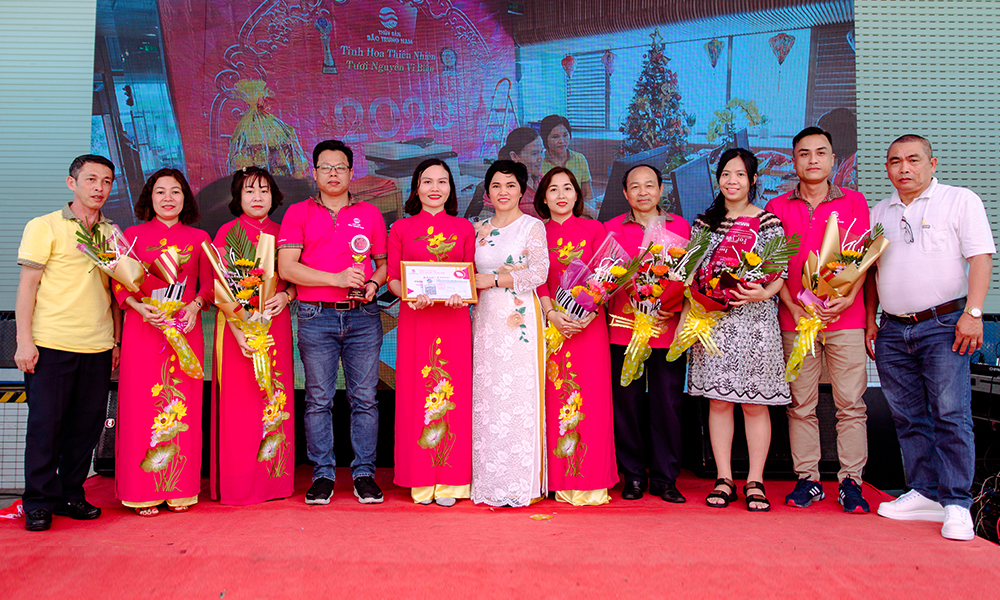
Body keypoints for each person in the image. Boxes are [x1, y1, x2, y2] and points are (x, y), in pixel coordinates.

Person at [865, 134, 994, 541]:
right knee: (907, 416)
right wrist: (870, 320)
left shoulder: (960, 200)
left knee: (951, 414)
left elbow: (980, 258)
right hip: (892, 328)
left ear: (932, 163)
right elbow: (869, 272)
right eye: (895, 161)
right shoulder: (879, 212)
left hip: (945, 324)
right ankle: (924, 491)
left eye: (913, 160)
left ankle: (956, 502)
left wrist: (973, 313)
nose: (904, 168)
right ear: (887, 168)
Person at [765, 127, 872, 513]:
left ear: (832, 159)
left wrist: (848, 299)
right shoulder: (777, 207)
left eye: (821, 153)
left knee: (851, 404)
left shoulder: (854, 202)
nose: (813, 160)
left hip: (845, 320)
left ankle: (851, 482)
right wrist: (792, 307)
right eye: (804, 153)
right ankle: (807, 478)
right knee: (801, 404)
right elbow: (773, 268)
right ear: (794, 160)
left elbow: (863, 258)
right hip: (795, 321)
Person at [277, 140, 388, 505]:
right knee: (318, 399)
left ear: (351, 172)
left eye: (340, 167)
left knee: (365, 399)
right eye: (326, 167)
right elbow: (287, 268)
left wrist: (373, 284)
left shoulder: (370, 213)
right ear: (314, 173)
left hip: (363, 316)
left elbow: (383, 264)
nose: (333, 174)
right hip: (315, 316)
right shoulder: (298, 213)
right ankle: (322, 474)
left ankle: (364, 474)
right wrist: (336, 279)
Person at [15, 154, 122, 531]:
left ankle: (71, 493)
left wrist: (115, 340)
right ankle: (39, 501)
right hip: (51, 344)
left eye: (106, 181)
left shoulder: (112, 233)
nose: (99, 188)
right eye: (91, 179)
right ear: (71, 183)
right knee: (46, 426)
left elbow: (115, 292)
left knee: (87, 426)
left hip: (97, 345)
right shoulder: (43, 226)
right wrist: (23, 341)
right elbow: (27, 287)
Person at [687, 148, 790, 512]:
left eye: (740, 175)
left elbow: (781, 273)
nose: (732, 181)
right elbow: (689, 270)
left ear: (753, 180)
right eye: (726, 174)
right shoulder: (704, 223)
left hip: (755, 322)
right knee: (719, 402)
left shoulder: (768, 222)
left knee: (754, 404)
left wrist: (761, 292)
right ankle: (724, 478)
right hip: (714, 322)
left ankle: (755, 480)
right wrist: (702, 292)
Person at [115, 168, 212, 516]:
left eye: (175, 191)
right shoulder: (132, 236)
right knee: (141, 405)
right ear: (149, 197)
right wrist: (138, 306)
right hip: (144, 328)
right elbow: (119, 283)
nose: (168, 198)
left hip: (184, 328)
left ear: (185, 198)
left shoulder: (199, 237)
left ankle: (179, 488)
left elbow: (210, 284)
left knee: (183, 403)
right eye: (160, 192)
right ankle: (143, 490)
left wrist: (195, 306)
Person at [387, 159, 475, 506]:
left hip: (454, 319)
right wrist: (409, 295)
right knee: (418, 392)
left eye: (442, 181)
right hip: (417, 319)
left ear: (451, 188)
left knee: (454, 393)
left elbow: (469, 276)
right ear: (416, 188)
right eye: (427, 181)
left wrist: (462, 296)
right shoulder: (401, 229)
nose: (434, 188)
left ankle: (452, 481)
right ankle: (421, 479)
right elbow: (394, 279)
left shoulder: (464, 228)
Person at [210, 167, 295, 505]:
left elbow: (294, 280)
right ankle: (241, 483)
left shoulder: (284, 232)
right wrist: (239, 328)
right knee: (241, 404)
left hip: (275, 324)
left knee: (274, 397)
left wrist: (286, 295)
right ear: (238, 197)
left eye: (263, 190)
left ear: (274, 196)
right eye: (249, 191)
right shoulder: (227, 233)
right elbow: (218, 288)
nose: (257, 197)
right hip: (237, 331)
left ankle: (274, 482)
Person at [605, 164, 690, 503]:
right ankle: (634, 475)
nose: (643, 192)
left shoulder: (679, 226)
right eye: (635, 186)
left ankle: (666, 478)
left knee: (667, 403)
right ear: (625, 193)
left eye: (650, 185)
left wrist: (676, 302)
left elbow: (689, 276)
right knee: (627, 403)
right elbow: (603, 277)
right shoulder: (610, 229)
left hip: (666, 330)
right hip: (624, 330)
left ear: (660, 190)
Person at [534, 167, 618, 505]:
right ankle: (558, 479)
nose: (561, 195)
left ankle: (591, 480)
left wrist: (588, 314)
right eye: (553, 189)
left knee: (591, 399)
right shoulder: (536, 232)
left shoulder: (594, 229)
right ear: (543, 197)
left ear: (577, 194)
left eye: (567, 188)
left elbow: (607, 276)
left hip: (589, 328)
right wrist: (552, 315)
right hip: (553, 327)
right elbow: (539, 279)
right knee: (556, 397)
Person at [470, 160, 549, 507]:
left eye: (511, 185)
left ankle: (521, 483)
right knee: (488, 397)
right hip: (485, 319)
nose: (503, 192)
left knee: (518, 396)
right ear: (488, 192)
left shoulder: (532, 226)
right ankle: (490, 481)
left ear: (522, 190)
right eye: (497, 186)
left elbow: (539, 273)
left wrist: (493, 280)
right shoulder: (478, 229)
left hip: (520, 321)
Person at [471, 128, 544, 219]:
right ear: (514, 156)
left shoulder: (540, 179)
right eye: (534, 153)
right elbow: (487, 220)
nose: (540, 158)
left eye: (542, 152)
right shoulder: (501, 186)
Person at [540, 115, 594, 207]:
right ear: (545, 139)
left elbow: (587, 194)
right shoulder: (539, 162)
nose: (562, 141)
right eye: (555, 137)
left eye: (565, 135)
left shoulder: (579, 158)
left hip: (578, 209)